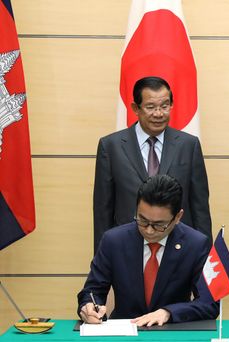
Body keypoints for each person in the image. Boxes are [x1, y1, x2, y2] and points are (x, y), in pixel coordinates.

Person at [78, 174, 219, 326]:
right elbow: (92, 292)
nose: (149, 231)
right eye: (143, 220)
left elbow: (209, 303)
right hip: (125, 334)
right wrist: (89, 307)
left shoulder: (196, 244)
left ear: (178, 217)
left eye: (159, 224)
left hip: (173, 334)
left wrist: (168, 312)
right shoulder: (113, 241)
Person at [93, 76, 211, 253]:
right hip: (127, 247)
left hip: (179, 248)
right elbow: (103, 210)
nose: (159, 113)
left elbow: (200, 207)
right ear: (135, 108)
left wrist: (205, 259)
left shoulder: (189, 145)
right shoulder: (111, 147)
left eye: (164, 106)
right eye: (150, 107)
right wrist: (102, 260)